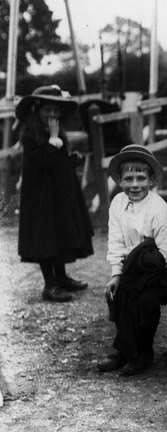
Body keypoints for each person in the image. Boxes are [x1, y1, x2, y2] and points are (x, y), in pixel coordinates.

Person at [99, 145, 167, 375]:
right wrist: (116, 273)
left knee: (144, 302)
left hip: (155, 271)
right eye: (128, 178)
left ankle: (143, 353)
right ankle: (125, 351)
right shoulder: (118, 203)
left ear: (151, 180)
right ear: (119, 180)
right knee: (117, 294)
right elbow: (116, 241)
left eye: (141, 178)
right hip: (129, 268)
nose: (134, 185)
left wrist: (139, 266)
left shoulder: (158, 208)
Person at [16, 85, 94, 303]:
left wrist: (71, 158)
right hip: (41, 197)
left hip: (58, 194)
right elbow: (43, 160)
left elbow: (57, 159)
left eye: (55, 111)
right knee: (45, 237)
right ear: (36, 110)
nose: (53, 115)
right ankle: (50, 286)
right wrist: (53, 138)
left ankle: (61, 278)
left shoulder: (56, 133)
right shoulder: (30, 135)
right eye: (47, 110)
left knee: (59, 235)